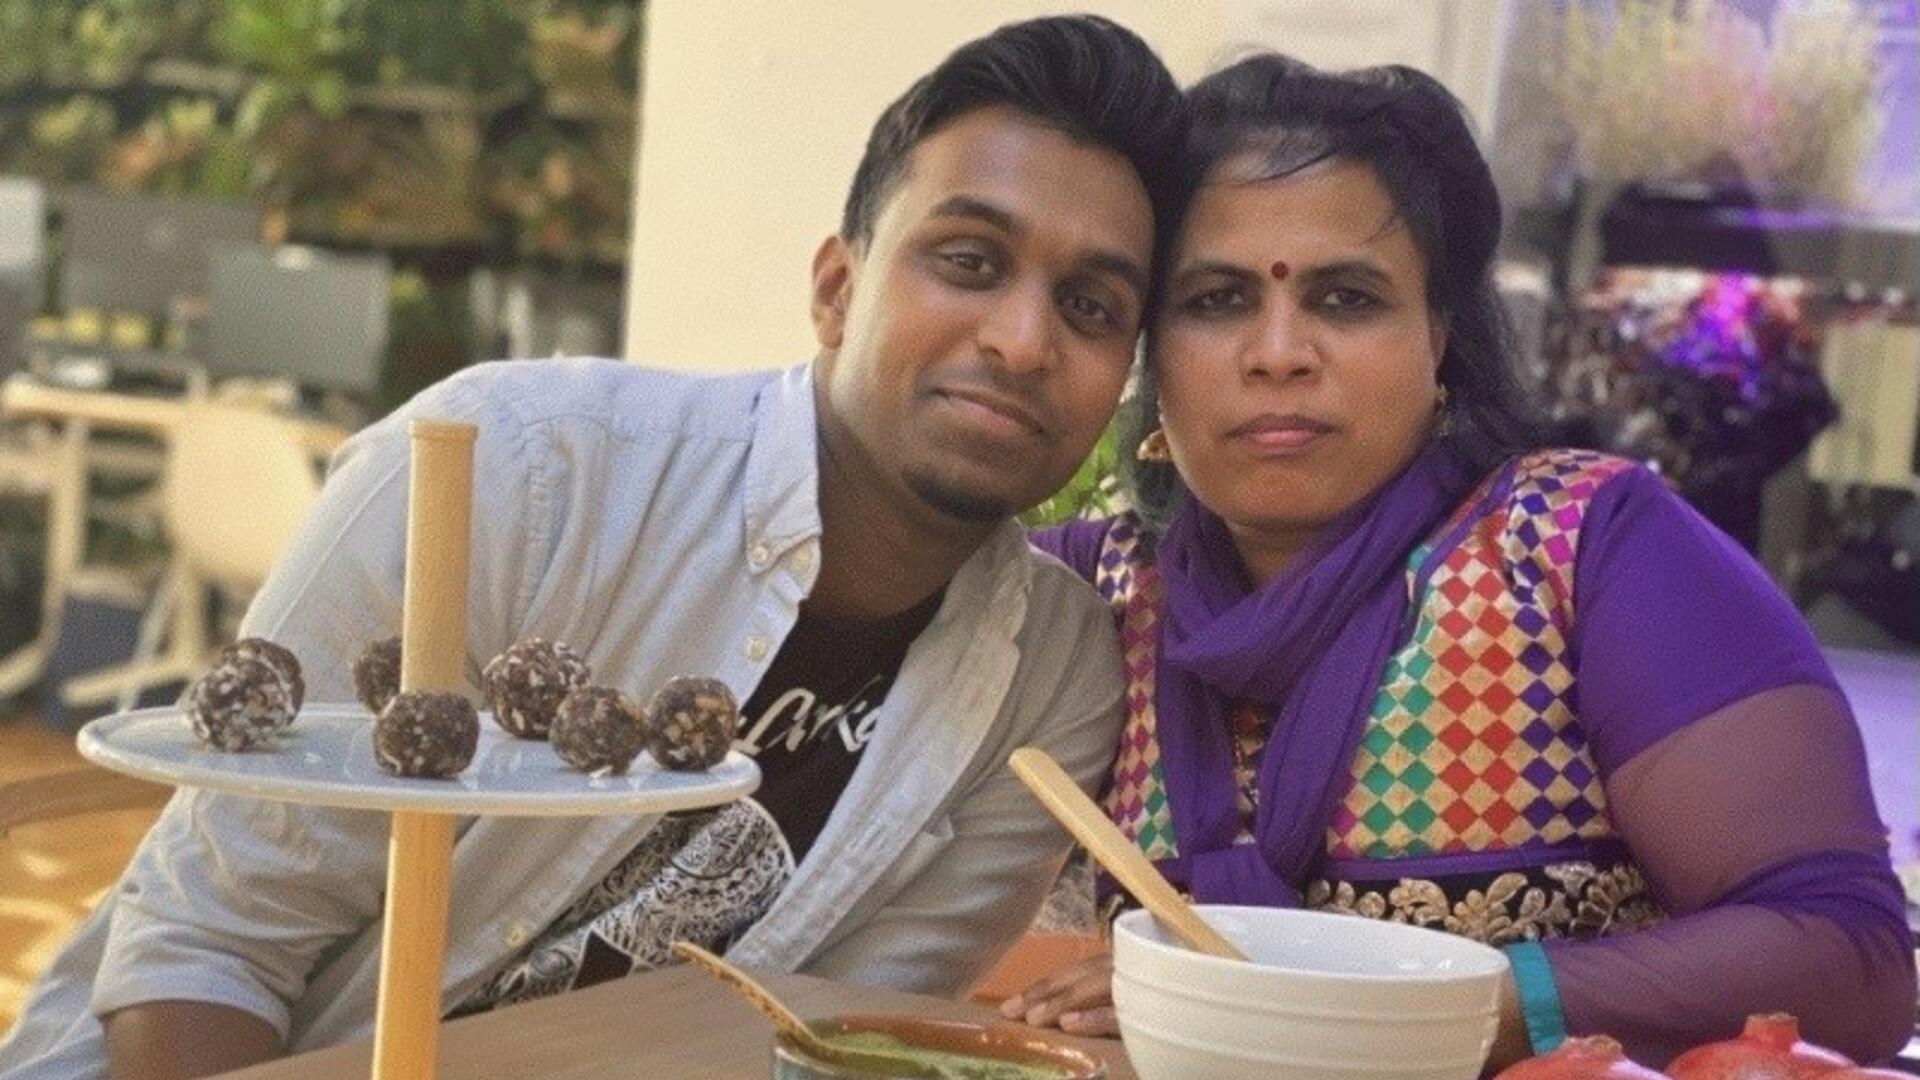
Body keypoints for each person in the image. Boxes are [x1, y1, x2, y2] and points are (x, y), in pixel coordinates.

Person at [0, 17, 1187, 1080]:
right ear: (837, 288)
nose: (1025, 339)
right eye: (969, 261)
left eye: (1091, 307)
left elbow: (822, 1037)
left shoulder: (1052, 687)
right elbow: (210, 945)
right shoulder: (514, 471)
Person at [1012, 54, 1916, 1070]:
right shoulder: (1089, 599)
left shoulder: (1582, 549)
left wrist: (1424, 1004)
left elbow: (1852, 957)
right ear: (1150, 351)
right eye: (1216, 300)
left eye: (1346, 299)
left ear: (1438, 338)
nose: (1278, 352)